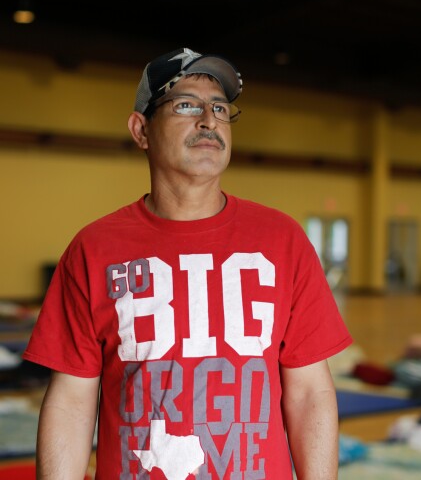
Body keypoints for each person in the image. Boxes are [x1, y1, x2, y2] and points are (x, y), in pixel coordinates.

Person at [23, 48, 353, 479]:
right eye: (186, 105)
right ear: (141, 129)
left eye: (219, 108)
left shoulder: (282, 240)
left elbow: (310, 392)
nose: (209, 121)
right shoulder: (94, 248)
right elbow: (70, 400)